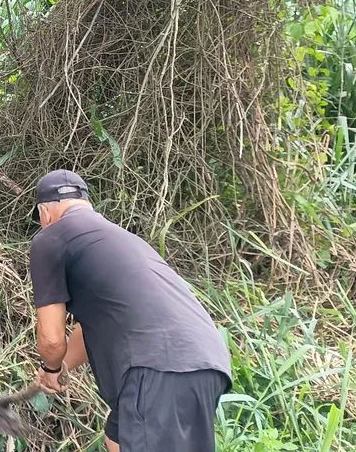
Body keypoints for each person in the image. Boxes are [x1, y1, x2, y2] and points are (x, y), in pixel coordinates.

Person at [28, 169, 232, 452]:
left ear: (44, 214)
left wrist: (49, 366)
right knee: (119, 437)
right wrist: (61, 369)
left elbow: (51, 339)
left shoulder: (50, 239)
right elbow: (93, 323)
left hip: (158, 367)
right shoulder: (119, 239)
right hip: (206, 359)